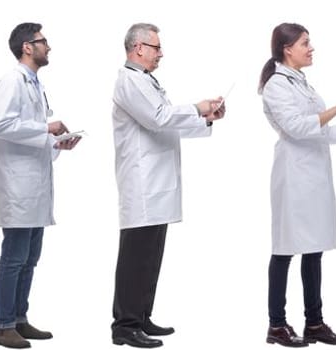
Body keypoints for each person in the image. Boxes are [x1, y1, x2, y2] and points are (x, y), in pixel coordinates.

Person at [108, 23, 225, 349]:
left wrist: (207, 119)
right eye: (156, 47)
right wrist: (198, 107)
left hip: (157, 184)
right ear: (138, 48)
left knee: (150, 256)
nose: (161, 53)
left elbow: (167, 122)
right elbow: (159, 118)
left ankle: (141, 316)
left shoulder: (146, 81)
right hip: (141, 185)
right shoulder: (129, 81)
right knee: (135, 257)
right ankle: (125, 326)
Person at [257, 22, 336, 348]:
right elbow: (295, 127)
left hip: (314, 175)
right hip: (293, 177)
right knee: (284, 250)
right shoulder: (276, 85)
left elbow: (316, 131)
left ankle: (315, 322)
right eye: (305, 43)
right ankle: (276, 325)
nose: (311, 48)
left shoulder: (302, 83)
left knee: (314, 249)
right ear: (287, 49)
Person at [0, 22, 77, 349]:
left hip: (36, 187)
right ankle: (4, 325)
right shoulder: (12, 80)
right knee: (14, 258)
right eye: (43, 41)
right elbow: (0, 124)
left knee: (30, 258)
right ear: (27, 46)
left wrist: (57, 142)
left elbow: (33, 135)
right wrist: (45, 127)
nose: (48, 46)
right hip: (19, 187)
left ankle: (20, 319)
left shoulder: (35, 83)